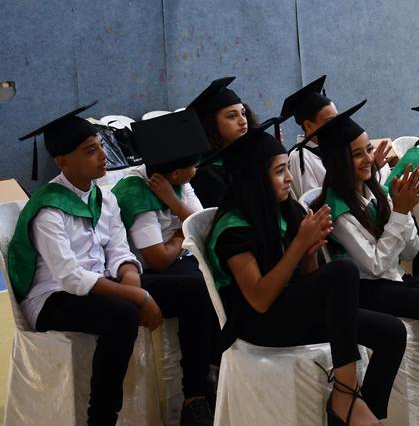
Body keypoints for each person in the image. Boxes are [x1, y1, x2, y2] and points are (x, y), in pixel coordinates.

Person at [205, 120, 406, 425]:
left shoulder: (285, 209)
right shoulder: (233, 229)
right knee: (343, 271)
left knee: (391, 332)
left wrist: (309, 254)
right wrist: (299, 245)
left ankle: (356, 415)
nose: (289, 178)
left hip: (289, 310)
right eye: (279, 171)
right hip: (258, 325)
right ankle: (345, 394)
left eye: (287, 168)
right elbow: (259, 300)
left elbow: (304, 279)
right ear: (254, 179)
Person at [304, 102, 419, 425]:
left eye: (368, 149)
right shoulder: (337, 210)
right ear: (338, 161)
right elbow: (374, 265)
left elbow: (411, 251)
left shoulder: (374, 193)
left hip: (395, 279)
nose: (368, 158)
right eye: (357, 154)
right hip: (368, 290)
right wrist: (399, 213)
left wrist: (406, 210)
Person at [9, 102, 158, 426]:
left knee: (189, 288)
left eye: (101, 146)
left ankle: (194, 395)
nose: (103, 156)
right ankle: (101, 418)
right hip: (51, 298)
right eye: (91, 151)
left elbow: (119, 251)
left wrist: (132, 282)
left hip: (99, 283)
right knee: (122, 315)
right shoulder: (49, 209)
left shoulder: (105, 198)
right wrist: (136, 296)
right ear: (63, 162)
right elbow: (71, 278)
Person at [112, 110, 222, 421]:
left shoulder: (176, 182)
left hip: (176, 262)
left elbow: (203, 227)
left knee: (221, 268)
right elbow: (157, 259)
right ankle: (196, 392)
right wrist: (181, 235)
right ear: (175, 174)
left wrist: (173, 203)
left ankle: (218, 365)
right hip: (141, 275)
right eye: (193, 166)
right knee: (199, 287)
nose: (196, 170)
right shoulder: (136, 192)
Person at [281, 76, 394, 202]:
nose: (337, 124)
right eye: (330, 121)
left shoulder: (337, 145)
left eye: (337, 117)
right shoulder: (300, 157)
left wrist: (372, 168)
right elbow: (314, 201)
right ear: (308, 125)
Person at [188, 77, 256, 208]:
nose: (243, 121)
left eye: (243, 113)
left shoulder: (249, 156)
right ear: (211, 124)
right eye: (232, 116)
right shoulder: (206, 175)